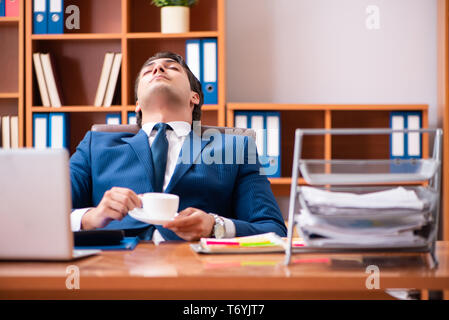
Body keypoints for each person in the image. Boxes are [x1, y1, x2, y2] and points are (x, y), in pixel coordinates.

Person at [70, 51, 287, 242]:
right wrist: (89, 218)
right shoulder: (95, 145)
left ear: (195, 97)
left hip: (198, 271)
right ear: (137, 103)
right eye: (148, 71)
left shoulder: (236, 147)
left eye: (172, 68)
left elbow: (273, 229)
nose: (158, 68)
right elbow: (44, 214)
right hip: (111, 269)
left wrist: (215, 226)